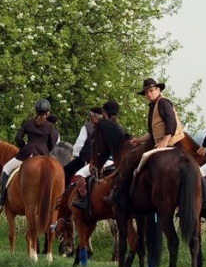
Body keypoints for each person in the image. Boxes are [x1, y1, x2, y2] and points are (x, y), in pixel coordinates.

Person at [106, 78, 185, 210]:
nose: (149, 94)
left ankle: (119, 194)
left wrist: (165, 141)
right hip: (158, 140)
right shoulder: (154, 106)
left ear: (158, 90)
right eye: (147, 92)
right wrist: (140, 139)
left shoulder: (163, 102)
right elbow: (153, 131)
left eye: (151, 90)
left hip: (167, 141)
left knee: (129, 158)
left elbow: (171, 123)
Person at [0, 99, 58, 205]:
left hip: (26, 153)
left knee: (6, 168)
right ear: (48, 113)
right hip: (43, 153)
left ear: (36, 112)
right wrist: (46, 150)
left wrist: (24, 147)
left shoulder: (28, 124)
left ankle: (2, 196)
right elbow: (52, 142)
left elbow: (18, 138)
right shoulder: (50, 126)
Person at [72, 101, 118, 209]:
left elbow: (99, 149)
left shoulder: (102, 127)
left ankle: (84, 200)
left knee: (79, 174)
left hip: (105, 161)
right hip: (117, 162)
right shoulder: (118, 127)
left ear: (104, 112)